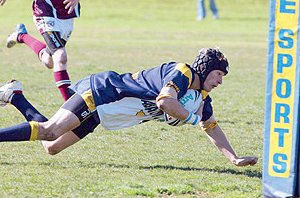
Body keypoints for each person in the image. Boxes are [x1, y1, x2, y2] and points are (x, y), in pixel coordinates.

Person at [0, 48, 258, 167]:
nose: (220, 81)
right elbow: (165, 101)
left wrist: (233, 158)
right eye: (218, 74)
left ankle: (15, 96)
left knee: (51, 146)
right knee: (50, 130)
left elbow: (210, 126)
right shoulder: (183, 73)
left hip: (104, 114)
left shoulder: (201, 96)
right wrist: (190, 119)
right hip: (103, 92)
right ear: (204, 69)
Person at [0, 0, 80, 101]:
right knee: (60, 56)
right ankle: (74, 108)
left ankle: (21, 35)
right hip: (45, 9)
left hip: (67, 12)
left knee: (49, 61)